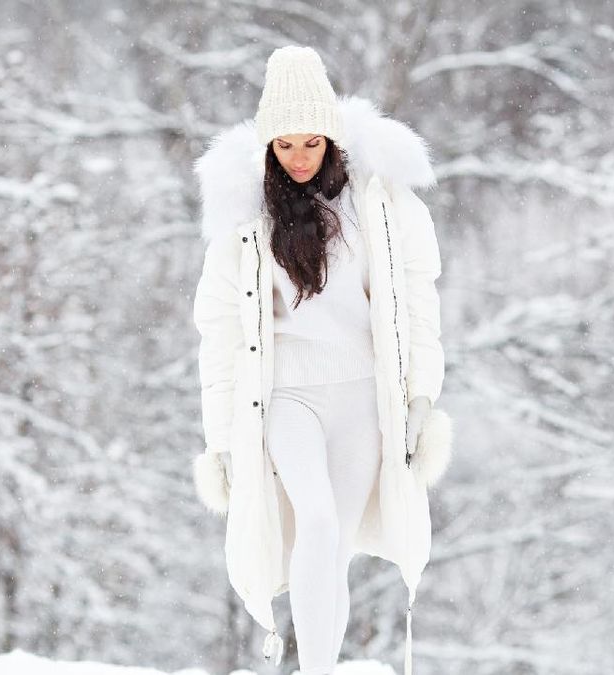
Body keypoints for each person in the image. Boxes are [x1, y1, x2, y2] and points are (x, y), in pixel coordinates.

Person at [190, 45, 454, 675]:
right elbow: (219, 331)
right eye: (285, 145)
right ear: (267, 148)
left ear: (332, 139)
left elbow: (419, 297)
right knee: (314, 518)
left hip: (364, 395)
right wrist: (221, 435)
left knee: (333, 545)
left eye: (312, 142)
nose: (300, 157)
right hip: (287, 396)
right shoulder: (246, 221)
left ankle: (322, 667)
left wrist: (420, 395)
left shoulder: (382, 205)